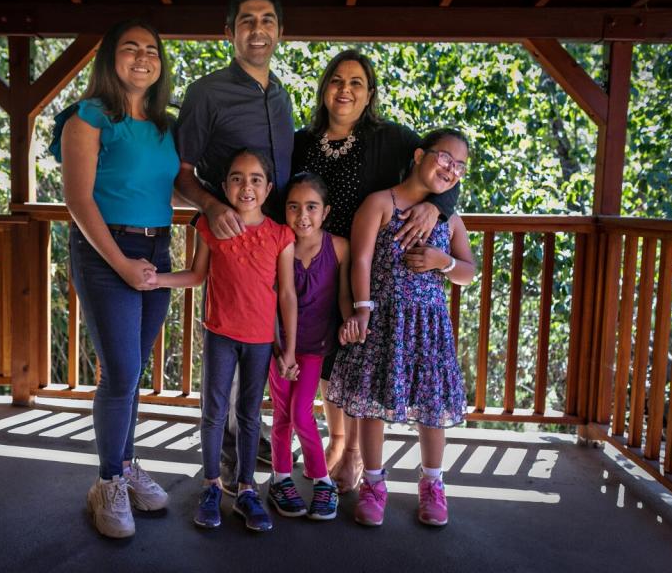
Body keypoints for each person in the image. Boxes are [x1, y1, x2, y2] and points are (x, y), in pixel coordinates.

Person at [291, 49, 460, 493]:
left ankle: (350, 455)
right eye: (336, 80)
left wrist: (437, 208)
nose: (344, 90)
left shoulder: (391, 139)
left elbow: (440, 167)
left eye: (356, 83)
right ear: (324, 87)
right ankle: (337, 442)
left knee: (353, 354)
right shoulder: (300, 142)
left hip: (367, 267)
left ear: (369, 95)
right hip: (315, 265)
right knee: (327, 356)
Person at [50, 19, 177, 539]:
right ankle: (107, 481)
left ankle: (124, 466)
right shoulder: (89, 117)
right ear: (110, 59)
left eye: (152, 49)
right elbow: (78, 200)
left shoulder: (167, 123)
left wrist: (218, 206)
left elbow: (177, 183)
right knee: (121, 372)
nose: (143, 57)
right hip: (107, 251)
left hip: (159, 247)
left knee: (135, 368)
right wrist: (122, 264)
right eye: (131, 48)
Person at [174, 0, 293, 494]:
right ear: (230, 31)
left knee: (269, 349)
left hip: (278, 244)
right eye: (247, 20)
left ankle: (257, 445)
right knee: (226, 360)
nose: (258, 29)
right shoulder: (206, 93)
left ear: (279, 32)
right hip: (226, 242)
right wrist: (211, 203)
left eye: (267, 20)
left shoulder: (283, 95)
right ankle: (224, 474)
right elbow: (180, 174)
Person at [329, 128, 475, 527]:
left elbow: (468, 271)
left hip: (428, 326)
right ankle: (373, 483)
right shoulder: (379, 203)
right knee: (372, 402)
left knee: (431, 408)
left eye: (460, 165)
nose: (451, 169)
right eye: (445, 157)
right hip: (383, 319)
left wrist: (441, 261)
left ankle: (432, 484)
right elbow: (358, 261)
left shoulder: (449, 216)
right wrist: (361, 310)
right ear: (418, 155)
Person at [153, 149, 297, 533]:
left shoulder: (281, 235)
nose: (245, 186)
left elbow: (286, 295)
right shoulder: (210, 228)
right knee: (214, 412)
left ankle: (247, 489)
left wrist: (290, 349)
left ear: (268, 189)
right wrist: (157, 279)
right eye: (236, 178)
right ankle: (211, 485)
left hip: (260, 340)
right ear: (224, 186)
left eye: (254, 179)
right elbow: (197, 275)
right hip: (219, 333)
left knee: (250, 415)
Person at [266, 172, 351, 521]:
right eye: (294, 206)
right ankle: (281, 479)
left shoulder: (339, 246)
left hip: (314, 346)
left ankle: (322, 482)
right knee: (282, 415)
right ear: (284, 210)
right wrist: (276, 346)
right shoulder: (278, 242)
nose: (303, 214)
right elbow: (270, 298)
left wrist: (353, 321)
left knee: (301, 412)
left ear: (325, 211)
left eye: (311, 207)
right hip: (278, 346)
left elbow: (344, 294)